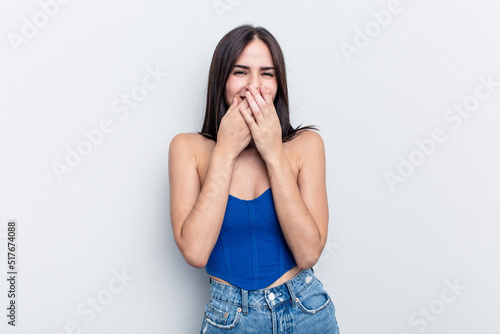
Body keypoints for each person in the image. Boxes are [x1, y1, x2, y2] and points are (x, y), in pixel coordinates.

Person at [169, 24, 340, 333]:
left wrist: (273, 151)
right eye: (240, 72)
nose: (254, 86)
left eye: (266, 73)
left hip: (306, 310)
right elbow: (194, 251)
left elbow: (308, 252)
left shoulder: (306, 146)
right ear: (221, 80)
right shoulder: (187, 149)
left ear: (278, 83)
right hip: (230, 319)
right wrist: (225, 151)